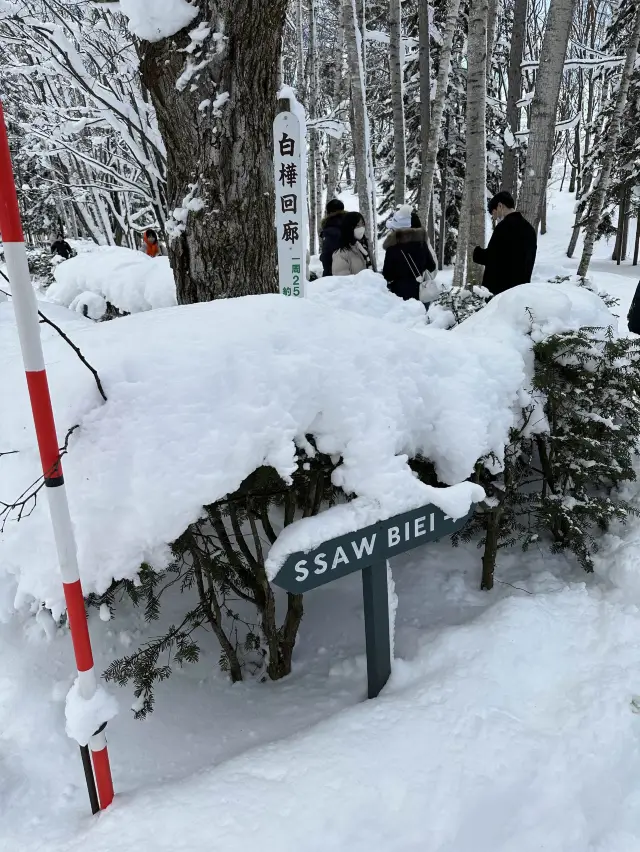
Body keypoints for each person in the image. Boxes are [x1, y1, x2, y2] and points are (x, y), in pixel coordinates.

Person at [472, 191, 537, 296]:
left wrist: (477, 253)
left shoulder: (503, 227)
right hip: (521, 290)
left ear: (500, 206)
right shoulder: (529, 229)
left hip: (500, 291)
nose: (494, 217)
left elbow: (492, 257)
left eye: (494, 212)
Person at [382, 205, 436, 301]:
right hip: (422, 293)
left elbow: (387, 275)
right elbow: (432, 266)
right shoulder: (422, 243)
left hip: (400, 296)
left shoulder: (392, 249)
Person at [320, 199, 346, 276]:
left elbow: (327, 256)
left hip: (336, 275)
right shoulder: (352, 224)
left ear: (329, 212)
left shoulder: (330, 229)